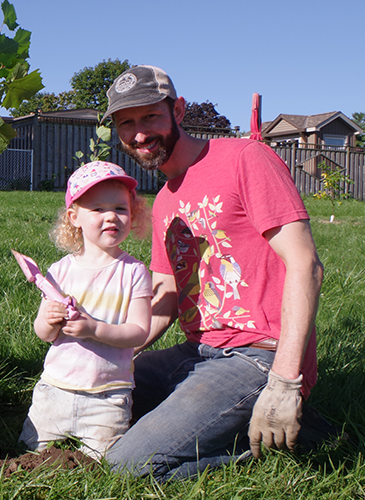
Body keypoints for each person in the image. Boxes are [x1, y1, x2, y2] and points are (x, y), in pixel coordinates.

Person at [102, 65, 324, 481]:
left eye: (150, 117)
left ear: (179, 111)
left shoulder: (245, 158)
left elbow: (305, 265)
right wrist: (113, 351)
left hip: (258, 355)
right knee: (99, 401)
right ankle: (228, 423)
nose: (139, 134)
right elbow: (167, 294)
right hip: (196, 352)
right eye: (126, 124)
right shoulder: (166, 200)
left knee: (127, 466)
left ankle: (296, 439)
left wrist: (285, 381)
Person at [19, 161, 152, 460]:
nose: (111, 217)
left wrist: (94, 329)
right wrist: (50, 321)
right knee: (31, 452)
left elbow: (139, 331)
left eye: (120, 208)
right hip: (55, 389)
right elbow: (42, 333)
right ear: (74, 217)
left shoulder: (134, 272)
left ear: (133, 213)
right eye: (98, 209)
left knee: (104, 461)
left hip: (108, 395)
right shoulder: (59, 271)